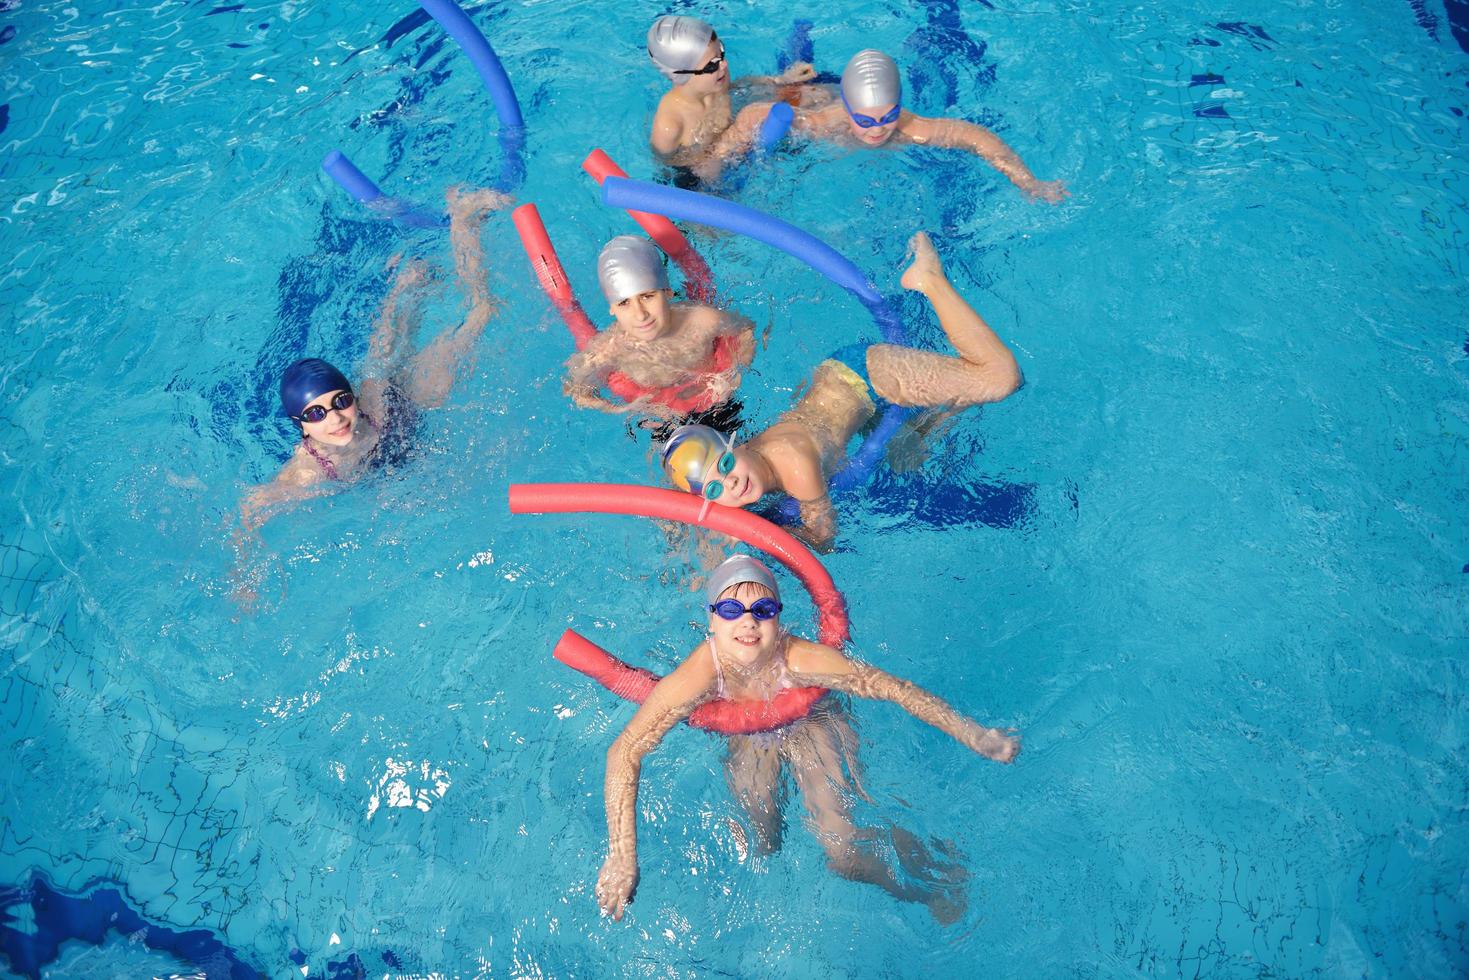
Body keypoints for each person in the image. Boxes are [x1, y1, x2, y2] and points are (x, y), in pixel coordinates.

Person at [594, 554, 1019, 923]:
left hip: (813, 724)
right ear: (711, 619)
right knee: (759, 844)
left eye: (763, 608)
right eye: (730, 608)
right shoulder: (700, 672)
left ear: (778, 618)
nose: (748, 621)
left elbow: (890, 687)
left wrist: (975, 735)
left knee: (844, 854)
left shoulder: (799, 658)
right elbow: (625, 750)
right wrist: (622, 855)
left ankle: (937, 877)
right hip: (749, 735)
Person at [660, 231, 1021, 551]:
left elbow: (824, 539)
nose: (731, 482)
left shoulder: (796, 467)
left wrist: (751, 531)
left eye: (725, 464)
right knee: (910, 458)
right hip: (843, 391)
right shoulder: (752, 463)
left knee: (999, 378)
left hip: (867, 378)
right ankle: (933, 409)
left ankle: (929, 280)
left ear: (735, 443)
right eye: (714, 490)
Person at [236, 186, 510, 538]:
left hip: (406, 401)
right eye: (316, 414)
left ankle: (464, 218)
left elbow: (383, 348)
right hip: (393, 439)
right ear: (300, 425)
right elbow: (250, 509)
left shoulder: (371, 395)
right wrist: (243, 576)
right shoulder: (310, 471)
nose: (334, 417)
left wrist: (403, 289)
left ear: (351, 395)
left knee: (481, 314)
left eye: (340, 401)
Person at [711, 48, 1068, 203]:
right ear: (849, 110)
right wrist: (724, 158)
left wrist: (1027, 181)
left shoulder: (910, 127)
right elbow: (755, 114)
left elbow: (975, 137)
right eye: (865, 120)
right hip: (817, 97)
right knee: (796, 89)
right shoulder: (823, 125)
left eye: (887, 116)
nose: (878, 129)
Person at [562, 235, 756, 430]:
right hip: (663, 418)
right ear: (612, 309)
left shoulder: (703, 321)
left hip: (717, 400)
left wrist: (732, 375)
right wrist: (616, 408)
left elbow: (746, 331)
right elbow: (576, 390)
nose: (640, 315)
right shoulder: (610, 349)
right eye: (624, 302)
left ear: (668, 291)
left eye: (647, 296)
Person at [646, 15, 829, 180]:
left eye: (721, 53)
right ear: (680, 76)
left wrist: (780, 80)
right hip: (706, 177)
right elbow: (669, 171)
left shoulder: (715, 79)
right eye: (712, 65)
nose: (724, 65)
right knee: (751, 116)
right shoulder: (670, 124)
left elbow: (738, 87)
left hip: (730, 145)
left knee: (810, 94)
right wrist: (729, 142)